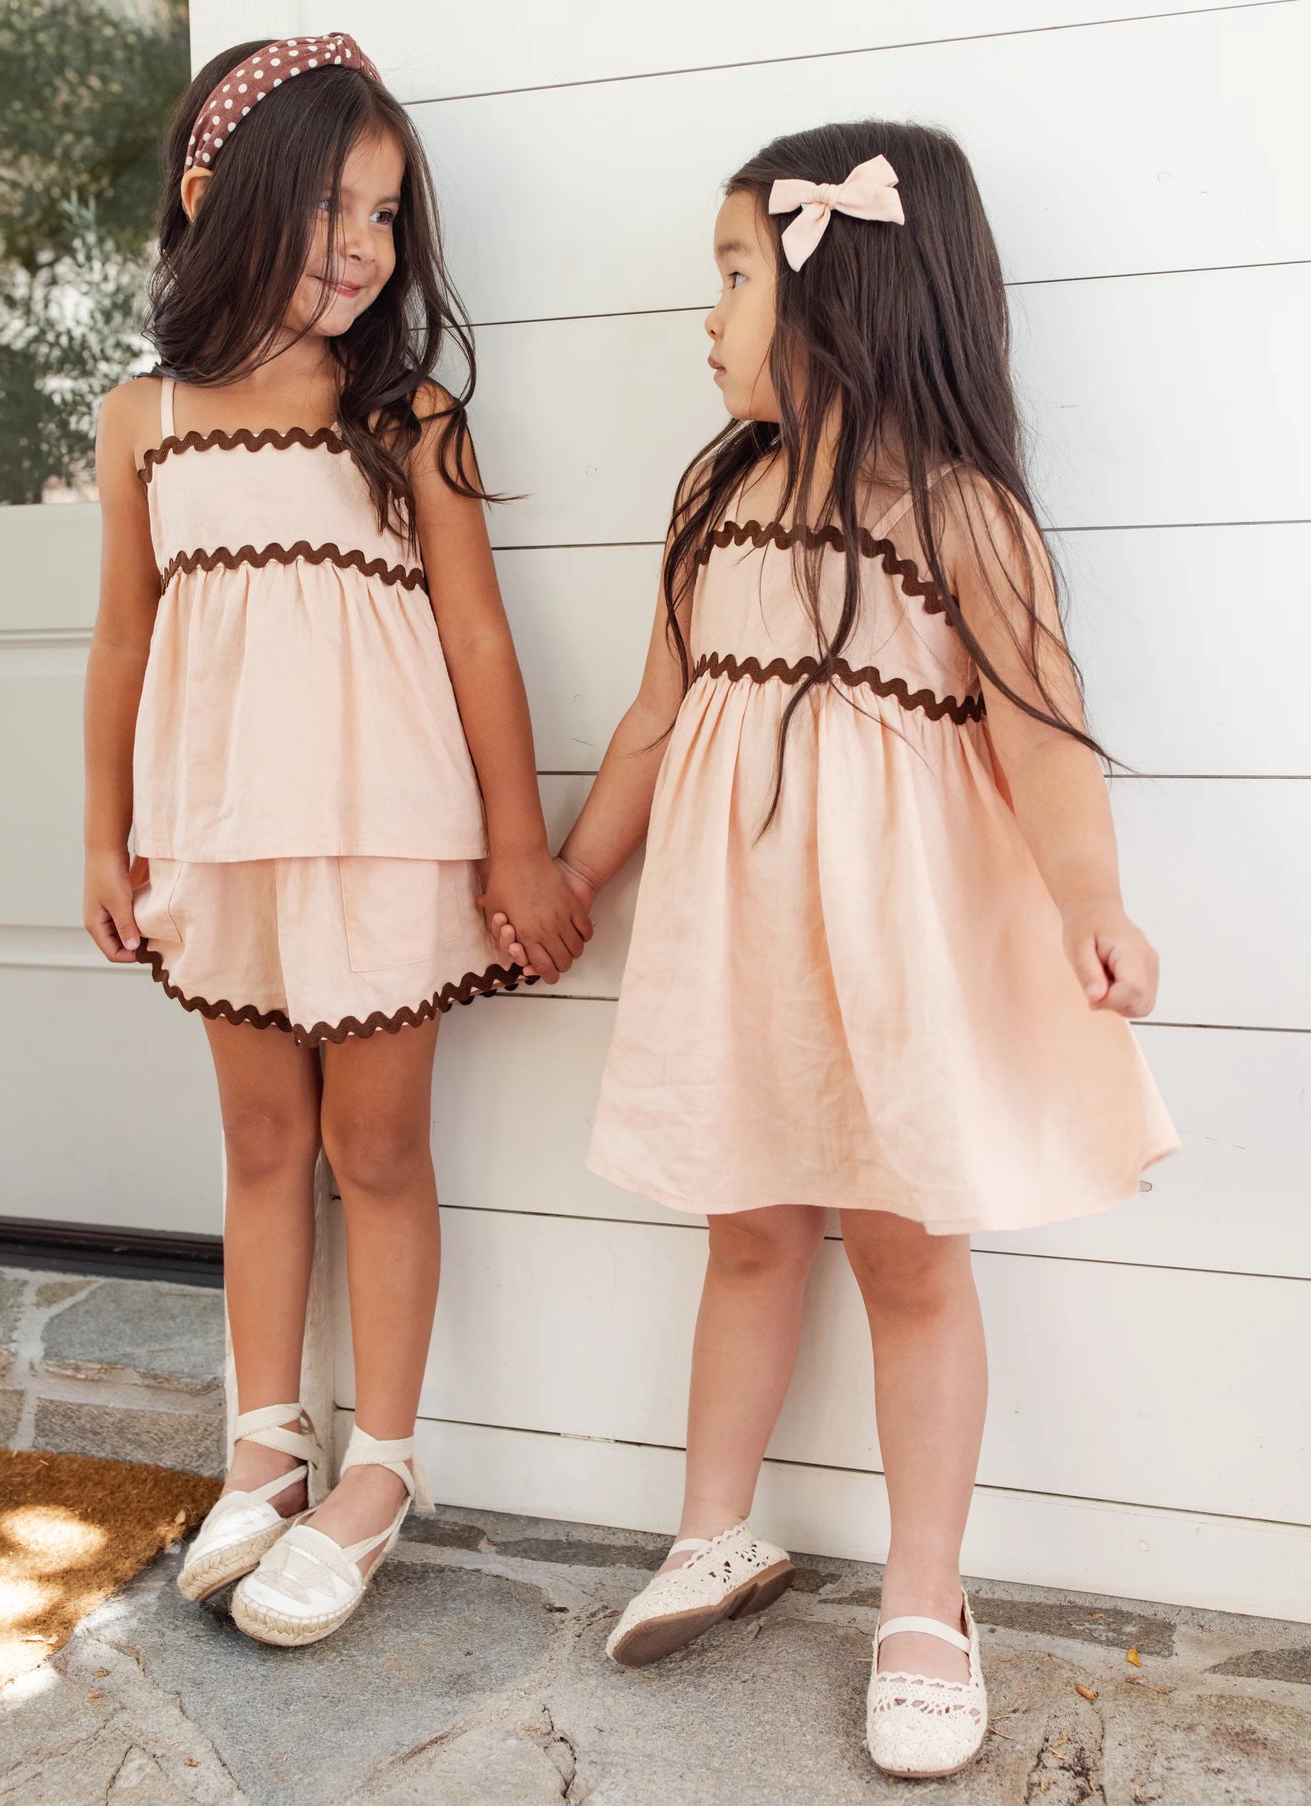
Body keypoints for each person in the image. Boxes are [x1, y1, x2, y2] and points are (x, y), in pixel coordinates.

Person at [491, 122, 1176, 1777]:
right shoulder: (715, 498)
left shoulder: (960, 517)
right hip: (739, 952)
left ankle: (927, 1598)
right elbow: (653, 719)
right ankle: (712, 1528)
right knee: (744, 1230)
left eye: (733, 275)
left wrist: (1090, 898)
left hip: (891, 960)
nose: (706, 315)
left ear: (840, 298)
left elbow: (1044, 740)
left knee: (909, 1255)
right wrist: (568, 874)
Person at [83, 30, 589, 1650]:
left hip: (383, 834)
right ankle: (262, 1448)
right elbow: (122, 638)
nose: (363, 247)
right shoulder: (145, 418)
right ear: (216, 198)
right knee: (256, 1143)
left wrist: (519, 850)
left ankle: (379, 1466)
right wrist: (103, 834)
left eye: (383, 215)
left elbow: (479, 641)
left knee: (374, 1151)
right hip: (221, 833)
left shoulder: (408, 415)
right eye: (330, 209)